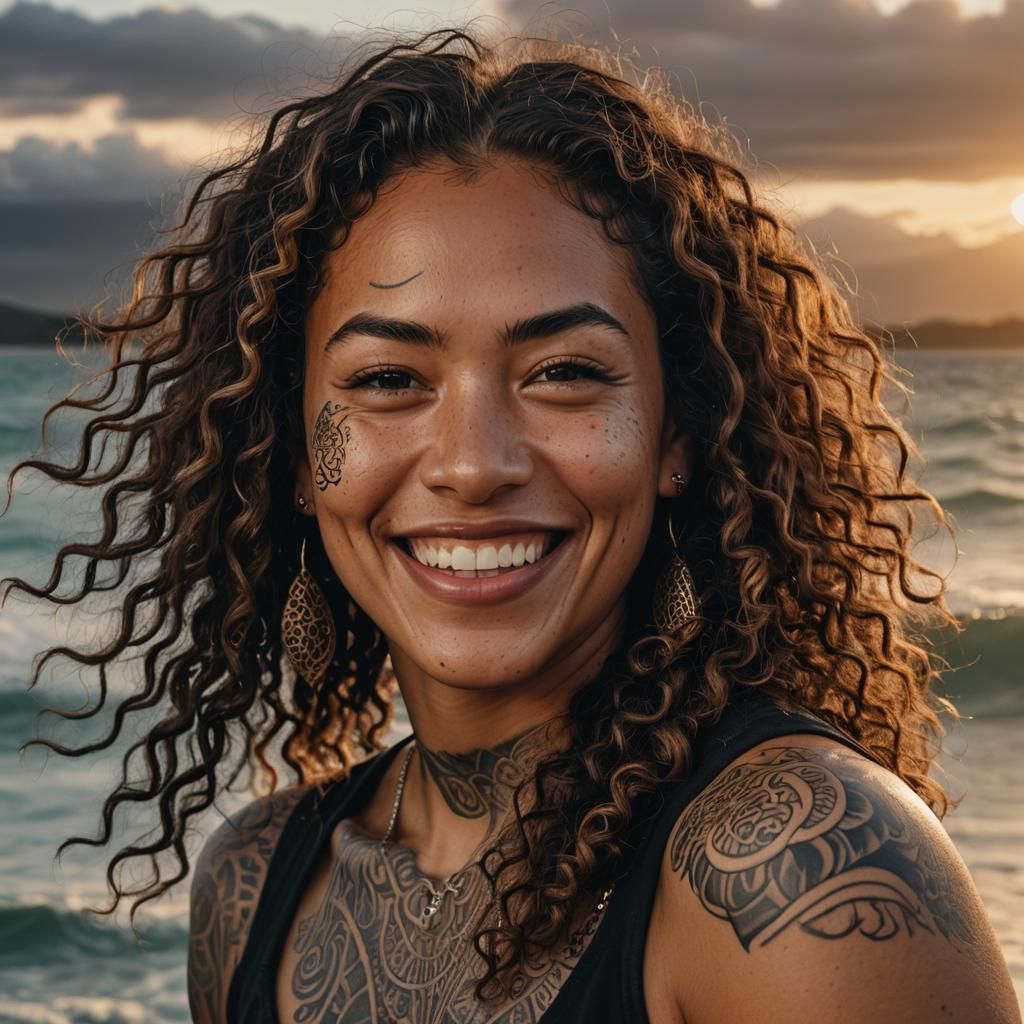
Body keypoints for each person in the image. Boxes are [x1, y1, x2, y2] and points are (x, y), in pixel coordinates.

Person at [4, 26, 1019, 1024]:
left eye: (565, 373)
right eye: (389, 379)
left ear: (679, 433)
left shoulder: (799, 879)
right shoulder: (252, 886)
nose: (474, 463)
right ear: (293, 457)